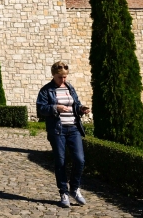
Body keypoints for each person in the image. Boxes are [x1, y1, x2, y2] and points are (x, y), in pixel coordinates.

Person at [36, 61, 90, 208]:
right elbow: (41, 108)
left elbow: (75, 104)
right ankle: (63, 192)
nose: (63, 80)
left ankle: (74, 188)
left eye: (65, 77)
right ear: (54, 75)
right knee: (60, 162)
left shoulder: (70, 88)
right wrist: (56, 108)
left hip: (73, 128)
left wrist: (81, 108)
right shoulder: (46, 90)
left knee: (79, 159)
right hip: (57, 130)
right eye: (60, 77)